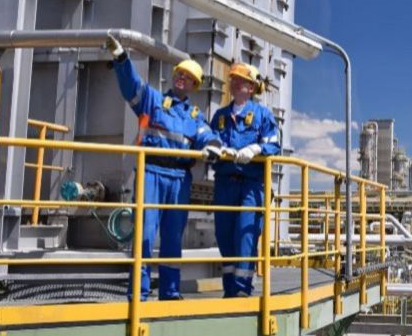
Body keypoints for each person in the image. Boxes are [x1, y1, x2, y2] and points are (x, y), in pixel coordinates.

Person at [106, 35, 222, 300]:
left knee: (172, 238)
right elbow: (131, 86)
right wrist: (121, 58)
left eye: (188, 77)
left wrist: (214, 146)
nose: (182, 78)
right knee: (145, 236)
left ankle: (170, 291)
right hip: (151, 174)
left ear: (194, 85)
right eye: (179, 74)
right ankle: (139, 293)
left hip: (180, 179)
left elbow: (207, 135)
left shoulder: (195, 117)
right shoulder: (154, 101)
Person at [211, 63, 281, 297]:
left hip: (251, 185)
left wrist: (255, 148)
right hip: (224, 184)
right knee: (224, 235)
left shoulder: (262, 115)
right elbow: (211, 141)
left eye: (240, 80)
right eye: (233, 79)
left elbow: (274, 144)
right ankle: (229, 289)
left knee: (245, 235)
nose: (234, 83)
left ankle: (242, 290)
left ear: (251, 87)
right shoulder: (220, 116)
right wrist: (212, 149)